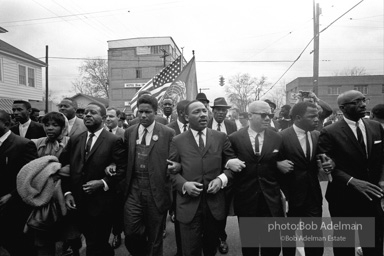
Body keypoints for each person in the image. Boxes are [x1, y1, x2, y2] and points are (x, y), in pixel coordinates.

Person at [168, 100, 244, 256]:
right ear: (186, 117)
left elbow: (231, 166)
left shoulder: (221, 137)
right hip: (188, 205)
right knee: (190, 250)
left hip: (214, 205)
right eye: (196, 112)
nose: (203, 114)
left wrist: (221, 179)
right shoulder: (178, 141)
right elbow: (170, 171)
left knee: (210, 248)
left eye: (204, 110)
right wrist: (184, 185)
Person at [318, 90, 384, 256]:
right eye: (356, 102)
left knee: (373, 244)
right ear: (342, 108)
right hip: (343, 197)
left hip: (372, 195)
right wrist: (352, 180)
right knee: (344, 245)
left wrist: (382, 179)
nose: (363, 104)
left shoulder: (375, 127)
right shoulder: (330, 132)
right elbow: (328, 166)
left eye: (363, 100)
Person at [60, 102, 127, 256]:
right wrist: (67, 193)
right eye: (86, 112)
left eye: (93, 112)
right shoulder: (76, 139)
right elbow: (64, 167)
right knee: (89, 241)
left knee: (96, 244)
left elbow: (123, 169)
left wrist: (102, 182)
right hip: (78, 202)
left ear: (103, 118)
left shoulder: (113, 140)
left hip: (101, 204)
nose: (88, 115)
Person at [229, 101, 284, 256]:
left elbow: (280, 162)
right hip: (246, 200)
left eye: (270, 115)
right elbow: (227, 165)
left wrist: (279, 163)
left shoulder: (277, 138)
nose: (268, 118)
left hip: (270, 201)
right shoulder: (234, 138)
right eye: (263, 115)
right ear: (250, 116)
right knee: (250, 247)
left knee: (272, 246)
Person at [277, 101, 333, 256]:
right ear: (298, 118)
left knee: (315, 238)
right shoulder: (281, 137)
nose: (317, 119)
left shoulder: (317, 135)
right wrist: (276, 163)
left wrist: (329, 163)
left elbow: (324, 157)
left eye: (317, 116)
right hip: (290, 196)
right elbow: (266, 161)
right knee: (288, 239)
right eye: (312, 116)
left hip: (312, 195)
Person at [123, 95, 175, 256]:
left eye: (148, 112)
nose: (143, 115)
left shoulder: (168, 133)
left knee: (155, 237)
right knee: (131, 232)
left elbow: (173, 160)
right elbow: (123, 158)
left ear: (155, 112)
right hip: (134, 191)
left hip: (157, 192)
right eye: (140, 112)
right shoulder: (130, 132)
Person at [22, 112, 70, 256]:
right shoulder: (35, 143)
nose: (49, 128)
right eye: (46, 125)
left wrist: (51, 171)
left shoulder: (71, 142)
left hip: (63, 194)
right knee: (42, 236)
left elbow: (72, 169)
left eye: (55, 125)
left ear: (62, 127)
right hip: (41, 194)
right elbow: (30, 169)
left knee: (68, 234)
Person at [0, 110, 38, 255]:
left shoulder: (23, 144)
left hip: (14, 205)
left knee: (19, 245)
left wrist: (11, 195)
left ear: (7, 124)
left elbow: (30, 176)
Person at [207, 97, 236, 254]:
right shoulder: (206, 123)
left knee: (222, 210)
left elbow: (235, 148)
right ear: (213, 111)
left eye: (224, 110)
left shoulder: (231, 125)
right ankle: (209, 238)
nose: (221, 113)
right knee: (208, 208)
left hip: (226, 174)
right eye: (218, 110)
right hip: (208, 172)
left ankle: (221, 238)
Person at [167, 99, 190, 256]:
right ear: (183, 114)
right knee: (181, 218)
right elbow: (167, 158)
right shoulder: (169, 130)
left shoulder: (202, 127)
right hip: (176, 180)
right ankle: (182, 250)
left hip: (196, 178)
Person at [103, 107, 126, 249]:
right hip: (103, 179)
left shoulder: (125, 134)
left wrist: (114, 164)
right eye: (106, 116)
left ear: (118, 118)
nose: (108, 119)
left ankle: (117, 233)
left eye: (111, 116)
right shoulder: (101, 134)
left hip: (119, 180)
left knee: (118, 209)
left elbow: (126, 156)